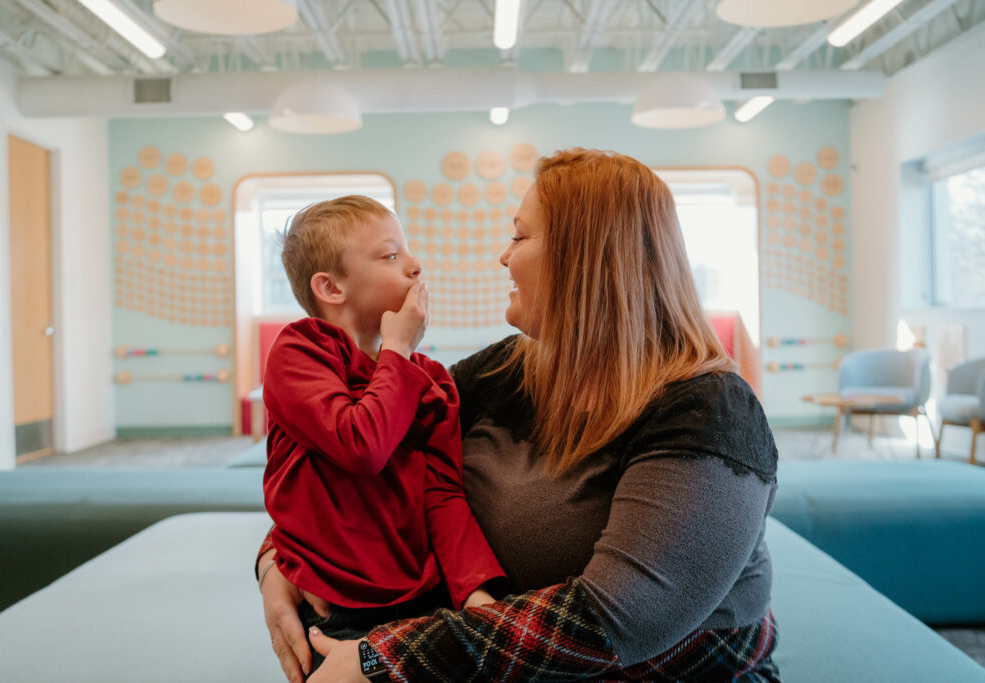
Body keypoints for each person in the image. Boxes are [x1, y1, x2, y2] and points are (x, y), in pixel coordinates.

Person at [258, 149, 781, 682]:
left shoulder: (710, 411)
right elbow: (358, 464)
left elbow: (614, 621)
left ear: (585, 257)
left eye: (519, 237)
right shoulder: (495, 375)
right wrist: (277, 559)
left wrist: (384, 657)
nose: (503, 258)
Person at [259, 196, 505, 673]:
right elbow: (360, 446)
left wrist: (474, 590)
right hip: (335, 604)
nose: (415, 266)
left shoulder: (427, 376)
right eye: (391, 256)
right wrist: (397, 348)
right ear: (331, 287)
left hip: (424, 598)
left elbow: (441, 492)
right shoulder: (300, 351)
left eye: (407, 252)